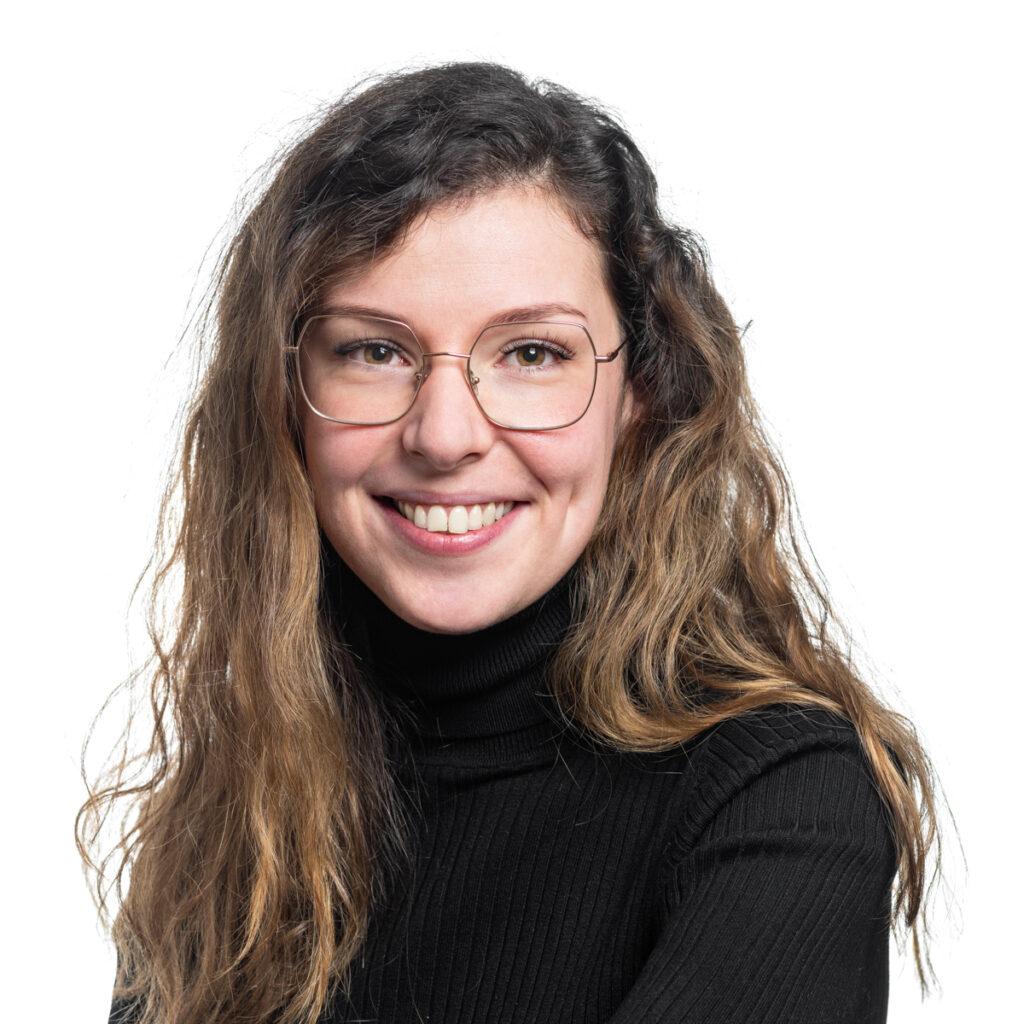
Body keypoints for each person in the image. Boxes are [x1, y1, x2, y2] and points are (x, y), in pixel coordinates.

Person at [79, 62, 939, 1024]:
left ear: (640, 394)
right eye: (373, 351)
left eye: (532, 354)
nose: (445, 435)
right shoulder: (236, 823)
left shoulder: (783, 798)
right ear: (284, 396)